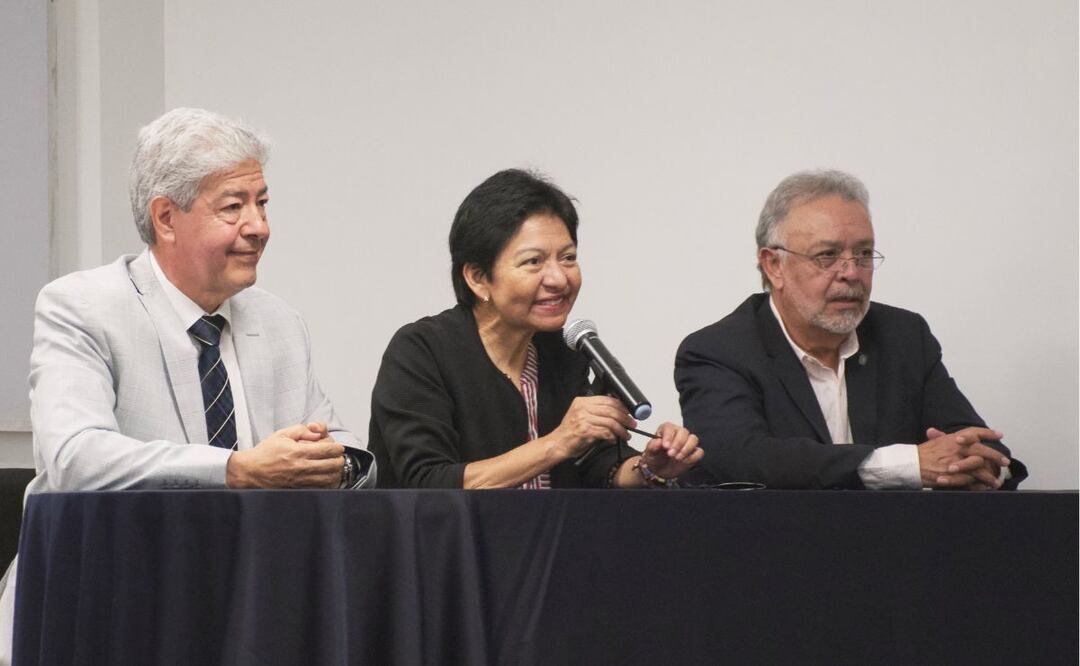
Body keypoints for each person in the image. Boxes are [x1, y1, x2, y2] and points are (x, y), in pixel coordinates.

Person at [0, 108, 373, 662]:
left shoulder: (278, 322)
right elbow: (74, 457)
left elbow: (342, 444)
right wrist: (237, 470)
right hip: (102, 602)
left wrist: (333, 464)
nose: (259, 227)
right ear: (166, 218)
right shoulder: (83, 307)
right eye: (234, 207)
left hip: (246, 605)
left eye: (262, 202)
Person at [675, 169, 1026, 490]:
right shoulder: (718, 351)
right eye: (827, 255)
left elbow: (974, 441)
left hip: (893, 537)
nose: (851, 273)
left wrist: (981, 468)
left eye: (864, 254)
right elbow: (741, 459)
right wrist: (906, 465)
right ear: (773, 266)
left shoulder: (904, 336)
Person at [369, 169, 703, 488]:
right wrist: (558, 442)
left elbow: (594, 463)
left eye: (568, 258)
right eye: (533, 262)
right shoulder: (422, 351)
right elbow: (427, 482)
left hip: (548, 530)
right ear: (478, 278)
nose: (558, 278)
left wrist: (648, 468)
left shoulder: (561, 352)